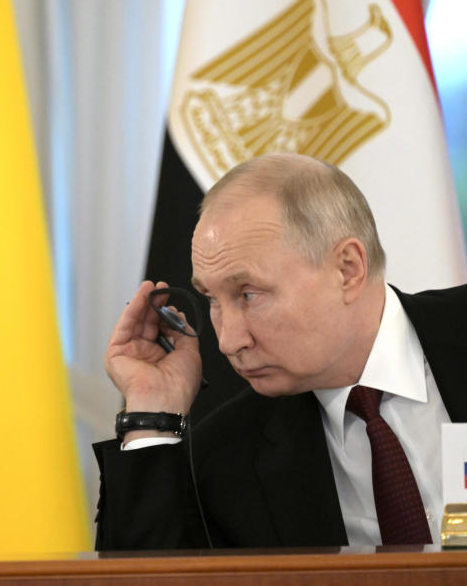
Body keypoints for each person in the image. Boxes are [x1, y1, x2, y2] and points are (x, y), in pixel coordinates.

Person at [95, 153, 467, 550]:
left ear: (348, 269)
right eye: (211, 299)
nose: (228, 342)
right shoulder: (227, 457)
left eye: (249, 294)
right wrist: (153, 412)